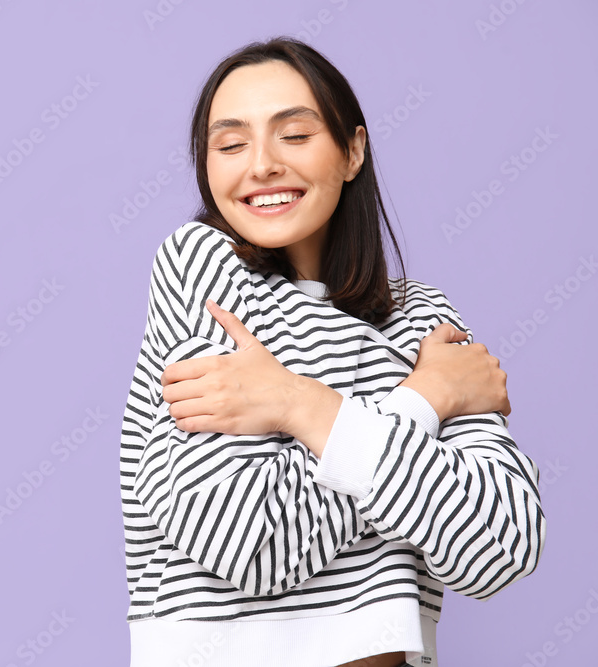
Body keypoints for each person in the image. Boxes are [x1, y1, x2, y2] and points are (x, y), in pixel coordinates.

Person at [118, 37, 546, 667]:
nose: (260, 165)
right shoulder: (201, 268)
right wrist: (421, 402)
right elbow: (246, 542)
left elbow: (501, 547)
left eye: (294, 135)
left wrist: (298, 406)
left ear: (352, 151)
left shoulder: (422, 319)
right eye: (231, 145)